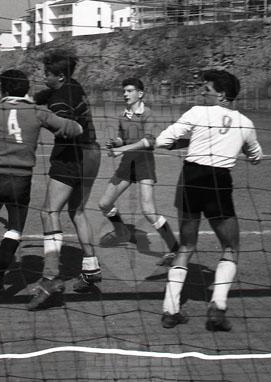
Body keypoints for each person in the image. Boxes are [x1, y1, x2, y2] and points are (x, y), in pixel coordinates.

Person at [111, 70, 262, 331]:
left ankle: (170, 310)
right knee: (230, 247)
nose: (202, 92)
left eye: (207, 89)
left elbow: (163, 140)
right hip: (218, 182)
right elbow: (256, 156)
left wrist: (186, 140)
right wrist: (243, 148)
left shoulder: (196, 113)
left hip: (190, 179)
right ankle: (217, 306)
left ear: (222, 94)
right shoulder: (245, 123)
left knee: (186, 246)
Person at [0, 69, 83, 295]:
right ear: (27, 89)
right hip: (20, 180)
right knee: (14, 227)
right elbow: (73, 129)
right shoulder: (37, 111)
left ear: (3, 89)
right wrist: (77, 125)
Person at [27, 49, 102, 311]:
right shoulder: (73, 86)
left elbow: (66, 124)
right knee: (77, 211)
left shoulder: (60, 100)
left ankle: (50, 277)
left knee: (48, 212)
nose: (43, 76)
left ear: (59, 75)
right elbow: (46, 95)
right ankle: (91, 267)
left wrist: (41, 119)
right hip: (93, 153)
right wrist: (29, 99)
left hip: (72, 155)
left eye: (46, 73)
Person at [100, 78, 179, 266]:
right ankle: (122, 231)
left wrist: (121, 149)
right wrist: (116, 143)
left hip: (144, 165)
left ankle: (175, 249)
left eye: (129, 91)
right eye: (124, 91)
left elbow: (149, 142)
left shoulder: (148, 114)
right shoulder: (123, 115)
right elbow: (123, 138)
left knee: (148, 210)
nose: (125, 94)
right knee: (104, 203)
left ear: (140, 93)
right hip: (127, 164)